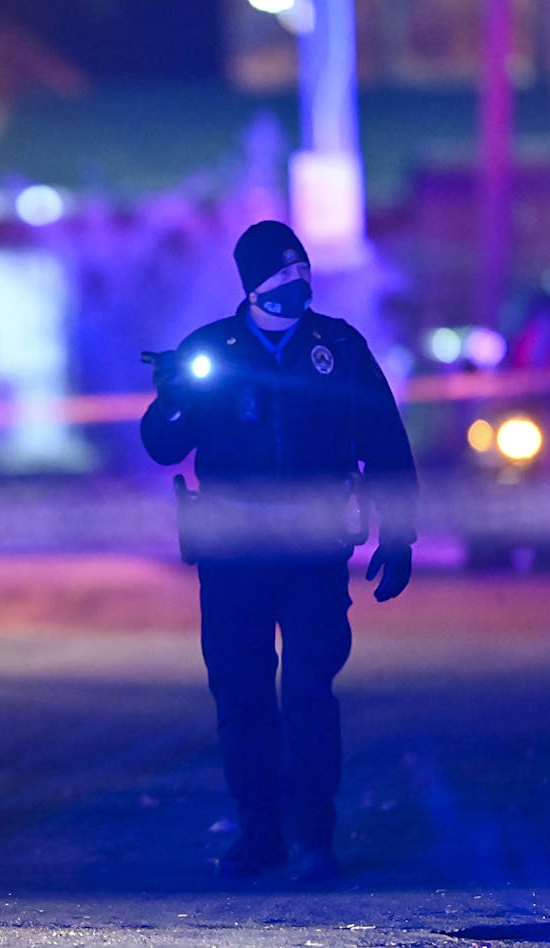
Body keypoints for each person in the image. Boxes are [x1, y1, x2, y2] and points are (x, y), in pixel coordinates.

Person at [140, 220, 417, 884]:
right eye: (282, 276)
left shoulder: (339, 347)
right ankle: (258, 831)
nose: (298, 286)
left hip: (314, 547)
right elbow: (162, 445)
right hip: (233, 550)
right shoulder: (212, 350)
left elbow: (385, 440)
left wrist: (399, 533)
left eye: (303, 273)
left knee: (308, 690)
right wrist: (175, 399)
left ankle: (313, 833)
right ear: (253, 284)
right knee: (241, 693)